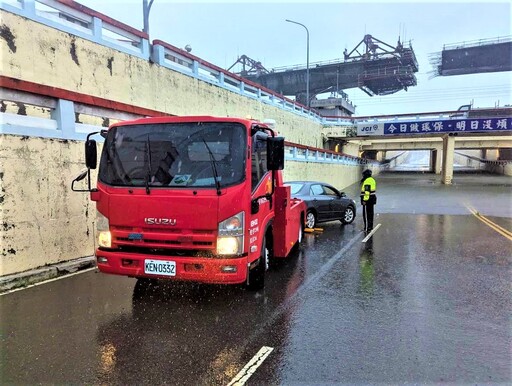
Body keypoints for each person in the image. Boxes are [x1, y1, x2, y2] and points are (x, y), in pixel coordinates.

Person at [360, 169, 377, 234]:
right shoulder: (372, 180)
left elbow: (367, 192)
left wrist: (364, 200)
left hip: (368, 199)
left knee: (367, 214)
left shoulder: (367, 181)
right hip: (372, 198)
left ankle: (367, 228)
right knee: (371, 213)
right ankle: (370, 227)